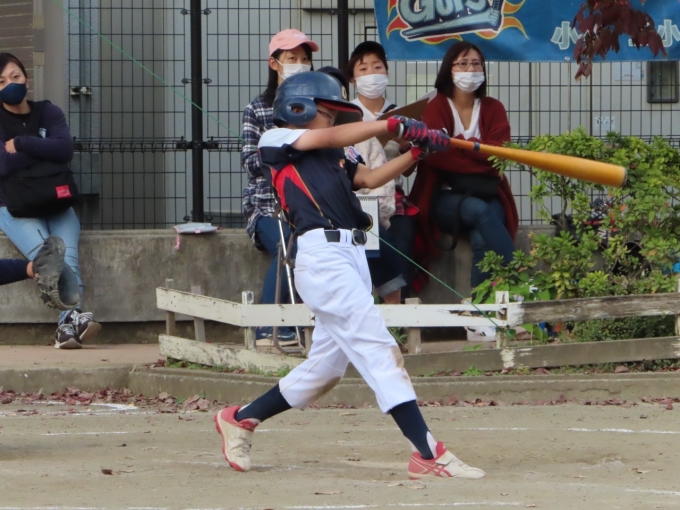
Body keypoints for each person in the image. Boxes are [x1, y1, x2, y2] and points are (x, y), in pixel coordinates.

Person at [214, 71, 485, 480]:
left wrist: (418, 152)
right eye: (327, 112)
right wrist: (390, 125)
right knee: (378, 347)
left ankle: (240, 418)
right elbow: (327, 136)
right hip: (322, 258)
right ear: (298, 108)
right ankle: (427, 452)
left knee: (325, 370)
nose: (333, 120)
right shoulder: (277, 139)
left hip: (352, 255)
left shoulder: (338, 153)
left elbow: (370, 179)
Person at [0, 52, 100, 349]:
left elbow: (65, 150)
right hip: (14, 206)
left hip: (58, 202)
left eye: (15, 76)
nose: (10, 84)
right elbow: (3, 164)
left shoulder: (48, 111)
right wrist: (45, 149)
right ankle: (72, 321)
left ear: (26, 79)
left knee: (67, 258)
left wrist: (22, 143)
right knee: (52, 261)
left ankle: (66, 326)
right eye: (1, 81)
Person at [409, 41, 519, 290]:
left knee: (482, 239)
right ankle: (521, 273)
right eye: (463, 63)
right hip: (443, 196)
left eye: (476, 64)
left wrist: (457, 146)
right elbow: (436, 157)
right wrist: (481, 155)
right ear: (449, 69)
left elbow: (500, 155)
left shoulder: (494, 107)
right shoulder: (436, 107)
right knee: (480, 211)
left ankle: (478, 307)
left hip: (489, 192)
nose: (471, 69)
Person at [241, 29, 319, 347]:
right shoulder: (258, 109)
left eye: (304, 59)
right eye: (292, 58)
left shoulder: (318, 108)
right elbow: (250, 161)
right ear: (274, 63)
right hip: (266, 207)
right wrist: (287, 153)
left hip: (310, 203)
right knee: (290, 241)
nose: (300, 64)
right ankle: (268, 328)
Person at [345, 41, 418, 303]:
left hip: (393, 197)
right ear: (353, 79)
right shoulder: (347, 114)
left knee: (403, 240)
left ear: (386, 72)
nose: (371, 74)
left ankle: (399, 310)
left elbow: (408, 172)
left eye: (377, 67)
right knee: (374, 245)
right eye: (363, 69)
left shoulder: (400, 115)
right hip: (359, 194)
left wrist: (405, 146)